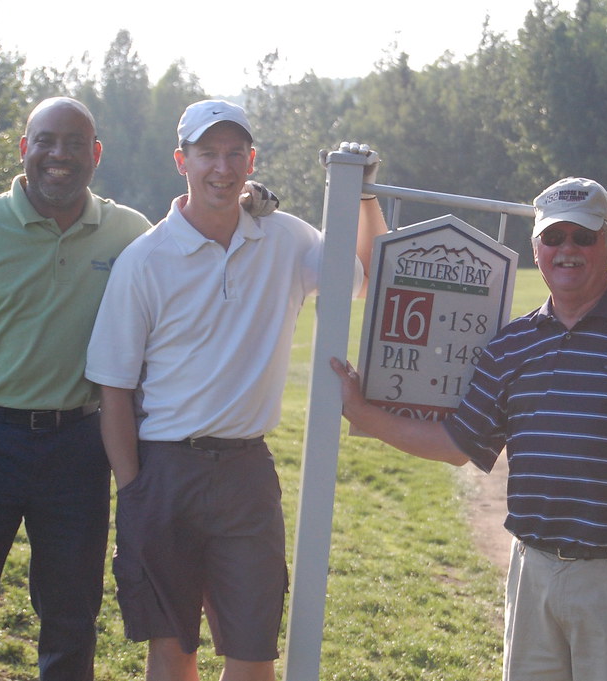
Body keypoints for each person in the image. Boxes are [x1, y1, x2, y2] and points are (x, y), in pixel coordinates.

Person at [330, 176, 607, 681]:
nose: (568, 249)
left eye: (583, 237)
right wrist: (363, 413)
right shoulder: (511, 345)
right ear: (535, 248)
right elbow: (457, 445)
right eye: (554, 237)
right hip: (532, 574)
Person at [0, 96, 278, 681]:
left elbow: (191, 229)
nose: (60, 155)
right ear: (24, 149)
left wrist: (247, 198)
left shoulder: (126, 232)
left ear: (95, 154)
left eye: (75, 144)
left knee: (72, 617)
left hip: (78, 447)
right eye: (46, 141)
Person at [84, 99, 388, 681]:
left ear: (251, 160)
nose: (221, 168)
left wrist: (364, 197)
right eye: (207, 154)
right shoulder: (144, 259)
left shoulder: (284, 237)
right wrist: (135, 489)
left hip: (247, 475)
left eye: (234, 154)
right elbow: (113, 390)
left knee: (253, 654)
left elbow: (368, 275)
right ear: (182, 161)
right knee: (172, 653)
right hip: (165, 472)